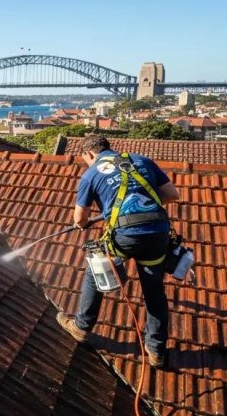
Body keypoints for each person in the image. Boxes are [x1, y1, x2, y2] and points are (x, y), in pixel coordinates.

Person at [56, 135, 180, 368]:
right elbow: (173, 195)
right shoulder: (142, 160)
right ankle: (156, 351)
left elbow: (80, 219)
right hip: (158, 233)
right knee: (154, 291)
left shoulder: (91, 173)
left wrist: (96, 219)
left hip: (125, 236)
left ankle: (82, 327)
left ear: (89, 154)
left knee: (96, 269)